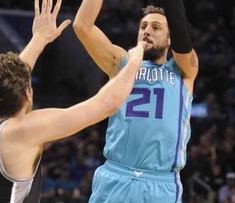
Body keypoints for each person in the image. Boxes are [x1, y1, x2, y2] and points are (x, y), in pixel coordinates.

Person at [0, 0, 147, 202]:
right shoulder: (21, 131)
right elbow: (106, 104)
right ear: (28, 94)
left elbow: (10, 78)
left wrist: (39, 39)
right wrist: (134, 63)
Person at [73, 0, 199, 202]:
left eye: (156, 27)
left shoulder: (184, 70)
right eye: (143, 26)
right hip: (115, 174)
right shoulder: (121, 62)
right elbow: (82, 26)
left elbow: (179, 22)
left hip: (160, 182)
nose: (147, 30)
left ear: (170, 39)